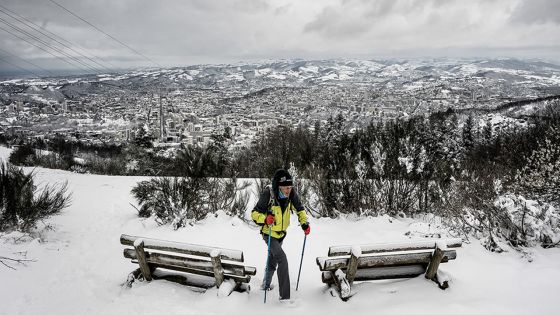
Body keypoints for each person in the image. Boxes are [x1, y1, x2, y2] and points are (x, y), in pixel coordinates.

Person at [251, 168, 310, 302]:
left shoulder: (291, 194)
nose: (288, 190)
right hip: (269, 233)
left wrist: (304, 224)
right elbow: (254, 214)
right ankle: (284, 297)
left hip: (281, 234)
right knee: (282, 259)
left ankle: (265, 285)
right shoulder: (269, 194)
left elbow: (300, 209)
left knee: (273, 260)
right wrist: (265, 219)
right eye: (285, 188)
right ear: (278, 186)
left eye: (290, 187)